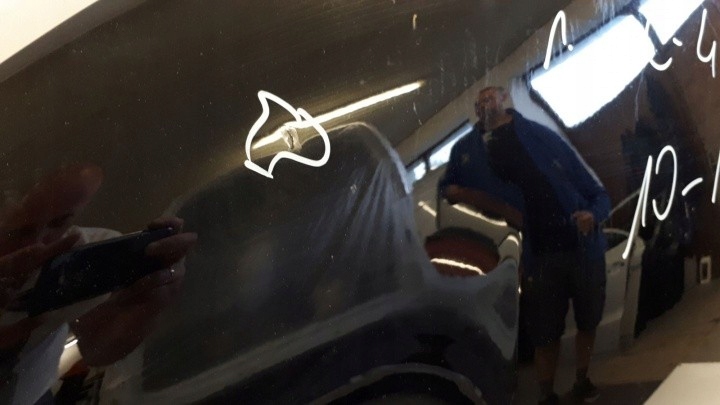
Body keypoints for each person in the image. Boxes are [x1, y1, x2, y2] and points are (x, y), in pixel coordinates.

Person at [439, 86, 610, 404]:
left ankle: (582, 380)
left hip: (581, 248)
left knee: (588, 320)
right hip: (537, 256)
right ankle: (547, 396)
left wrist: (593, 215)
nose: (483, 105)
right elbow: (448, 189)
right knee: (545, 333)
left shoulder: (541, 136)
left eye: (488, 98)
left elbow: (598, 195)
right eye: (478, 103)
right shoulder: (468, 150)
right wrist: (467, 197)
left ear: (504, 99)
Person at [0, 163, 197, 404]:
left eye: (59, 222)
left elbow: (97, 351)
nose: (41, 242)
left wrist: (145, 309)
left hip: (32, 394)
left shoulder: (86, 253)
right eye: (18, 232)